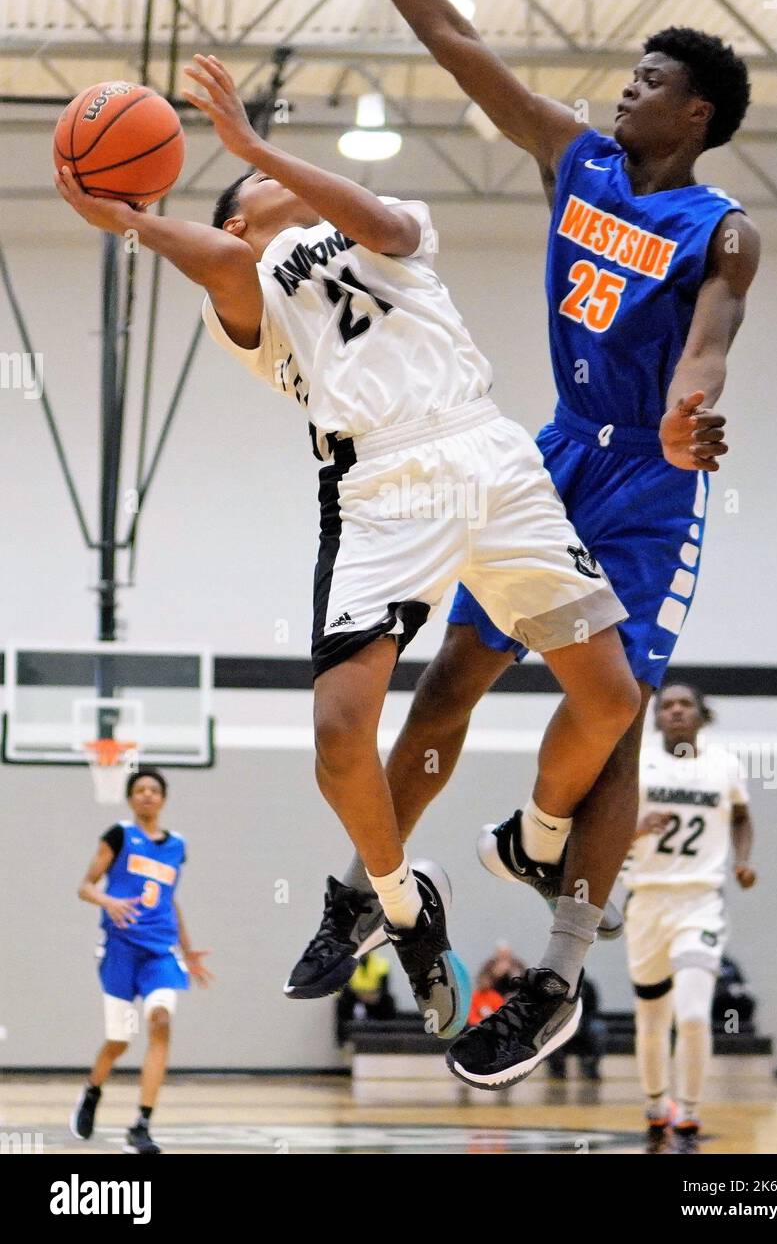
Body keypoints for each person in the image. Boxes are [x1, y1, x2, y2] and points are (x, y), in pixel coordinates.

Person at [56, 54, 639, 1051]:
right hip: (380, 484)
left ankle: (536, 838)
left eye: (288, 171)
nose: (285, 182)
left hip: (489, 456)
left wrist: (251, 145)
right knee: (337, 730)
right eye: (258, 189)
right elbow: (225, 264)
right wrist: (137, 223)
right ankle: (397, 901)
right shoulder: (246, 287)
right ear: (234, 217)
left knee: (611, 698)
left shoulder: (378, 223)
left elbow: (392, 225)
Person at [295, 0, 761, 1088]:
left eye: (649, 80)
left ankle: (554, 973)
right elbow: (452, 39)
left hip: (651, 487)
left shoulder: (719, 227)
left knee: (608, 723)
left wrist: (688, 413)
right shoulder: (574, 160)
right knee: (452, 671)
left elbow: (705, 347)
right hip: (551, 454)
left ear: (695, 116)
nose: (625, 87)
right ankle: (364, 889)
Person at [621, 683, 756, 1148]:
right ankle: (657, 1104)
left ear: (702, 715)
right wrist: (637, 830)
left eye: (686, 704)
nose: (677, 710)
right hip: (646, 902)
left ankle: (691, 1112)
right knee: (652, 1018)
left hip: (700, 902)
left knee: (695, 1014)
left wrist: (742, 859)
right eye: (667, 705)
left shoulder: (724, 765)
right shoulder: (636, 763)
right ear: (657, 717)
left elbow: (740, 815)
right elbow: (601, 829)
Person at [69, 768, 212, 1155]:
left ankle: (142, 1124)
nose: (147, 795)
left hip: (160, 953)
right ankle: (92, 1091)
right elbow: (84, 887)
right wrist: (108, 900)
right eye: (140, 789)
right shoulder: (118, 836)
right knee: (119, 1041)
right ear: (131, 799)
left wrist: (188, 946)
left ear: (163, 799)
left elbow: (169, 899)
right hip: (120, 949)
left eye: (154, 789)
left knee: (161, 1022)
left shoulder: (177, 845)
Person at [336, 951, 396, 1041]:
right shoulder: (347, 965)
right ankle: (344, 1040)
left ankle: (387, 1038)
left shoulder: (381, 964)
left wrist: (373, 996)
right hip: (356, 996)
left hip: (374, 998)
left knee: (388, 1001)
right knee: (342, 1003)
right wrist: (361, 995)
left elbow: (384, 988)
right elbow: (345, 989)